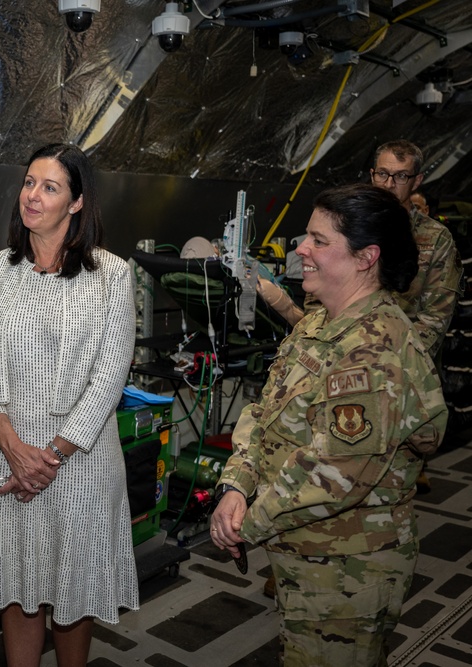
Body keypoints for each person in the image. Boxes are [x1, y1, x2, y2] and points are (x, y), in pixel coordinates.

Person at [210, 184, 449, 666]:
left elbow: (336, 475)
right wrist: (236, 484)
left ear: (366, 257)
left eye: (319, 240)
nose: (301, 249)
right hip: (304, 554)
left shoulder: (376, 351)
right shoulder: (317, 324)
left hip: (347, 573)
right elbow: (264, 410)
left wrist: (243, 526)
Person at [0, 143, 139, 667]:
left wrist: (51, 458)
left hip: (78, 464)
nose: (32, 196)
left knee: (71, 591)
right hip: (5, 456)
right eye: (28, 183)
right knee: (18, 585)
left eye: (50, 187)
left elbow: (110, 376)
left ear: (77, 202)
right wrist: (15, 449)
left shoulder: (110, 275)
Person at [257, 140, 462, 359]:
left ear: (417, 180)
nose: (389, 184)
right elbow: (319, 297)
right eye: (383, 174)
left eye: (401, 176)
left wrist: (392, 358)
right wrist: (327, 346)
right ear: (372, 175)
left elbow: (435, 317)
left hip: (401, 357)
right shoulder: (351, 225)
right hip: (338, 350)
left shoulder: (436, 238)